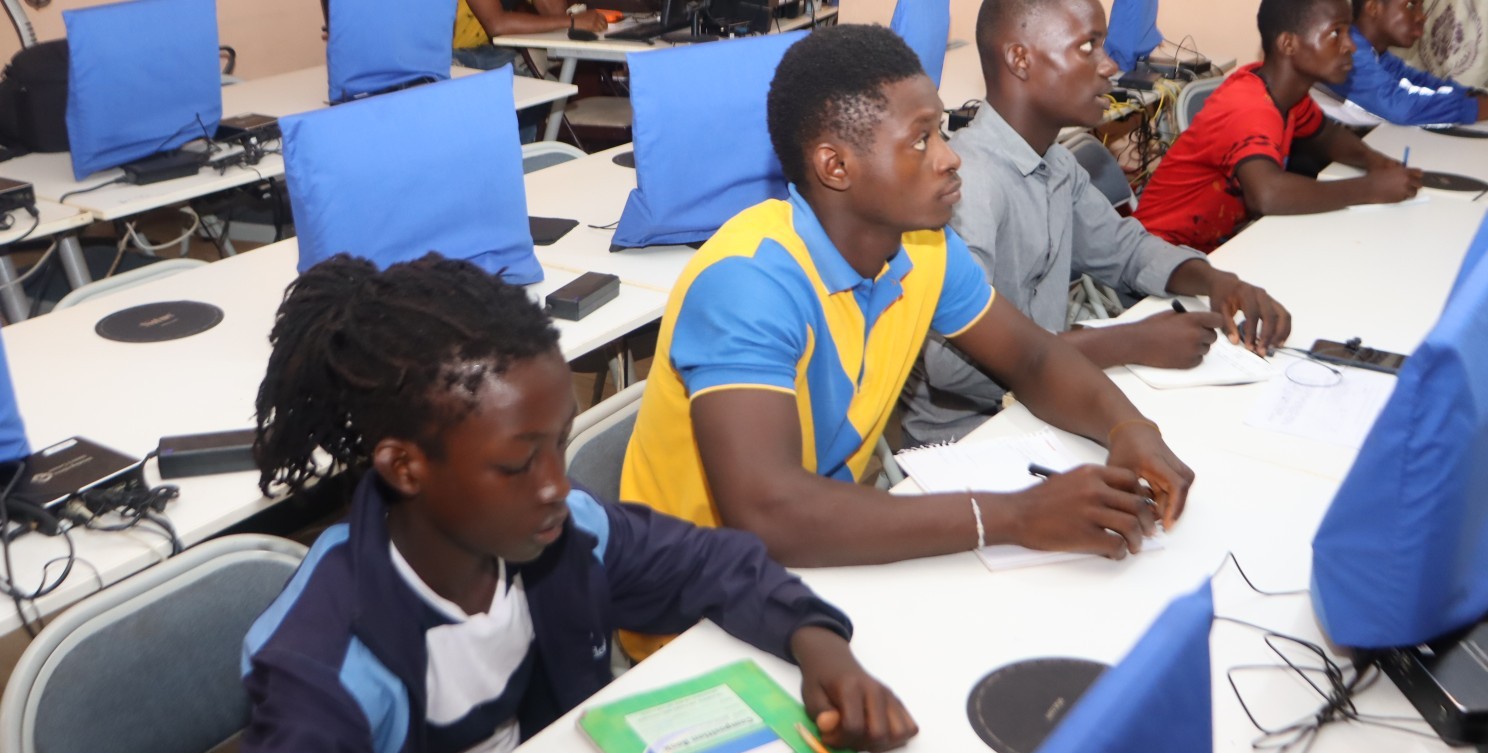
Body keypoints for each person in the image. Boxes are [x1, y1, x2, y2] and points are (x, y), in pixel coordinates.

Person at [227, 254, 916, 753]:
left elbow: (712, 563)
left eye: (560, 443)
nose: (557, 484)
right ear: (405, 467)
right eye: (517, 463)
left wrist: (818, 645)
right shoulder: (323, 657)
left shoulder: (558, 529)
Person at [620, 24, 1195, 574]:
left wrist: (1127, 427)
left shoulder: (922, 246)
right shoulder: (748, 284)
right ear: (836, 166)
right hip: (694, 600)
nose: (950, 156)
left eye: (941, 131)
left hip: (821, 556)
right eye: (921, 140)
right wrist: (1016, 516)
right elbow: (769, 513)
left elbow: (1033, 358)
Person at [900, 0, 1294, 447]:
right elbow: (954, 369)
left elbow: (1126, 249)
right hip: (970, 439)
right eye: (1088, 46)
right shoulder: (967, 187)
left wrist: (1216, 280)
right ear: (1020, 59)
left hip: (1044, 402)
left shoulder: (1056, 163)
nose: (1109, 66)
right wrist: (1130, 341)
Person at [1134, 0, 1422, 254]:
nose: (1351, 45)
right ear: (1288, 45)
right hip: (1159, 257)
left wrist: (1375, 161)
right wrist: (1370, 188)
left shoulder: (1286, 94)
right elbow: (1267, 196)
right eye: (1336, 33)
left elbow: (1326, 135)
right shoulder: (1250, 105)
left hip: (1221, 247)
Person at [1325, 0, 1488, 125]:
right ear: (1374, 7)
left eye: (1421, 8)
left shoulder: (1376, 53)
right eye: (1411, 5)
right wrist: (1473, 108)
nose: (1422, 16)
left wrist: (1467, 94)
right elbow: (1400, 108)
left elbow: (1414, 80)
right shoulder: (1348, 51)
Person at [452, 0, 607, 71]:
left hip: (483, 51)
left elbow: (555, 12)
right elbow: (496, 24)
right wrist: (572, 21)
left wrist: (570, 21)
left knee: (544, 85)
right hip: (451, 57)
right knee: (527, 76)